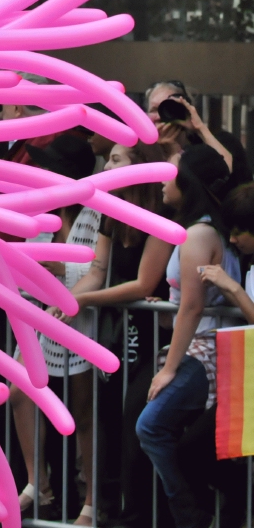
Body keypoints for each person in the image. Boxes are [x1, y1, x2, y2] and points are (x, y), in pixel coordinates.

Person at [64, 142, 171, 525]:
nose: (106, 165)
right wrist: (65, 301)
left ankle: (143, 513)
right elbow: (96, 268)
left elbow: (144, 284)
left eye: (115, 159)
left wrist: (86, 300)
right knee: (109, 415)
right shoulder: (111, 213)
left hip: (154, 337)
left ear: (139, 167)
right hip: (117, 334)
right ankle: (109, 506)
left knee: (134, 419)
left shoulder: (159, 213)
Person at [136, 143, 241, 528]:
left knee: (150, 426)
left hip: (207, 349)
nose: (164, 176)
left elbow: (192, 309)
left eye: (173, 169)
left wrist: (169, 370)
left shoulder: (198, 234)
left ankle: (191, 515)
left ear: (190, 180)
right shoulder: (205, 230)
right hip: (203, 347)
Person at [8, 134, 98, 520]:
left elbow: (103, 270)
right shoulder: (47, 213)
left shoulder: (95, 214)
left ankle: (91, 502)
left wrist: (63, 269)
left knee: (84, 410)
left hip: (87, 319)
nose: (41, 172)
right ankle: (36, 483)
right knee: (20, 393)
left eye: (49, 167)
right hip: (45, 317)